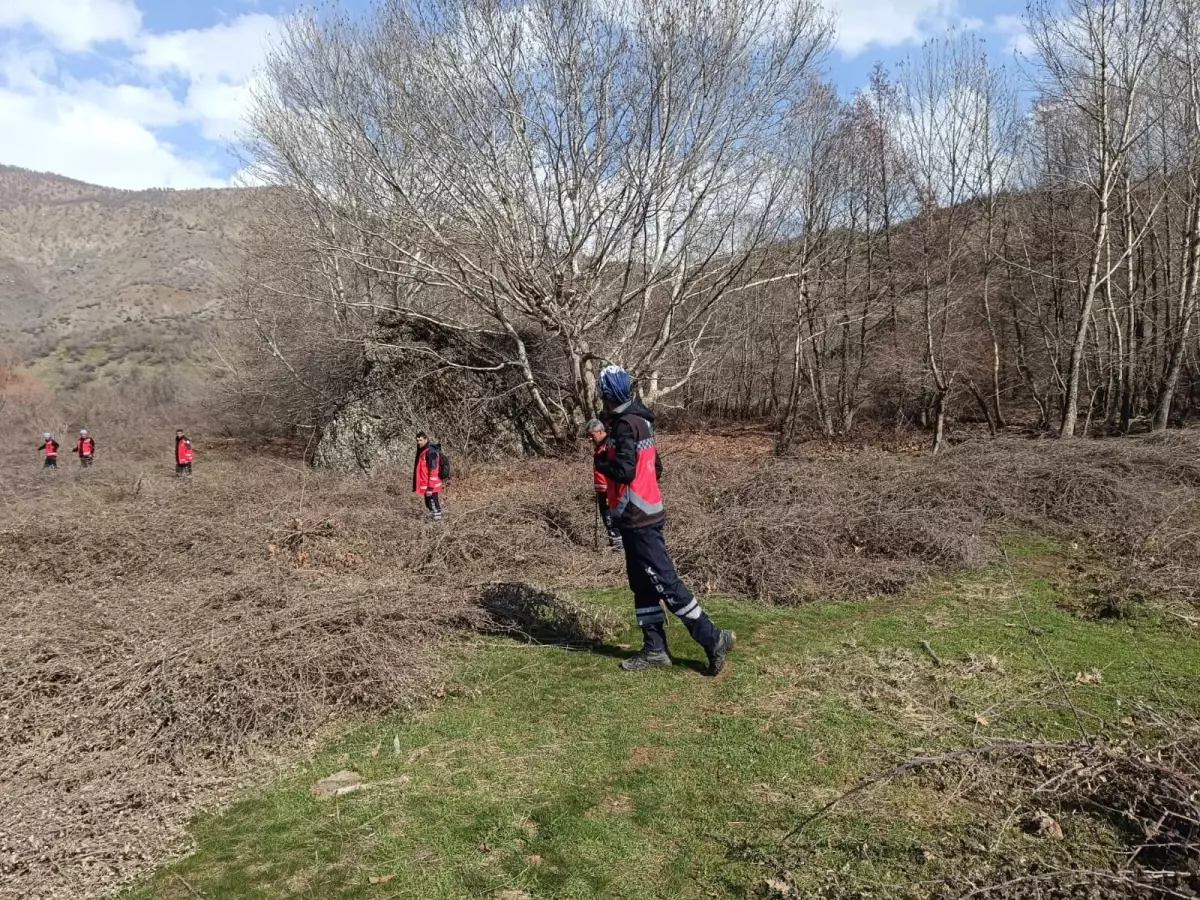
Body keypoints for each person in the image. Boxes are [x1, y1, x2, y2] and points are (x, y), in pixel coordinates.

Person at [594, 365, 735, 675]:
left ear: (607, 393)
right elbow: (656, 468)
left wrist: (601, 460)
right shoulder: (642, 420)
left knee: (665, 583)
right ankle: (655, 649)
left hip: (638, 519)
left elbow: (625, 471)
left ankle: (713, 638)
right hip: (642, 515)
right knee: (642, 585)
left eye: (602, 393)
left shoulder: (624, 426)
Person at [586, 418, 622, 551]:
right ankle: (614, 541)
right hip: (601, 487)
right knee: (605, 515)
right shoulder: (600, 446)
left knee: (611, 515)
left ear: (600, 431)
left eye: (591, 435)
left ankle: (618, 543)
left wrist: (610, 490)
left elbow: (613, 468)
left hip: (610, 488)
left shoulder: (609, 445)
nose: (590, 439)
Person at [413, 431, 444, 521]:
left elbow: (434, 471)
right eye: (417, 440)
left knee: (434, 505)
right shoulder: (423, 451)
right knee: (429, 505)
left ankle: (438, 524)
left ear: (426, 439)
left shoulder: (431, 452)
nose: (419, 442)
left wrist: (430, 488)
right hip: (427, 485)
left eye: (421, 440)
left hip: (431, 486)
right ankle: (434, 521)